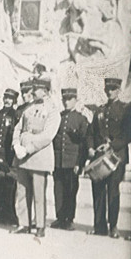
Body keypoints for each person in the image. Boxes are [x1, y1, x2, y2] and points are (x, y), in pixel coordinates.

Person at [10, 76, 61, 238]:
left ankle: (40, 225)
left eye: (36, 89)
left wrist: (29, 148)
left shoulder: (52, 110)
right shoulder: (29, 108)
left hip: (39, 157)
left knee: (39, 194)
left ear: (45, 90)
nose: (33, 92)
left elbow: (47, 136)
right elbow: (18, 128)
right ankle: (24, 223)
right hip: (22, 156)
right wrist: (16, 144)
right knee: (22, 191)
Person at [86, 77, 131, 239]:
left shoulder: (125, 109)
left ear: (119, 90)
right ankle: (99, 226)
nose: (110, 92)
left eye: (113, 89)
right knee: (98, 191)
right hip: (100, 157)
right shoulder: (100, 110)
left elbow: (127, 136)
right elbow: (91, 133)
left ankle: (113, 227)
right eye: (107, 89)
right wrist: (90, 148)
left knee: (113, 191)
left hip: (116, 157)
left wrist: (111, 145)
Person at [51, 88, 89, 231]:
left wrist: (80, 163)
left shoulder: (80, 119)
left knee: (71, 190)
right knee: (58, 189)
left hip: (72, 162)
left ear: (75, 100)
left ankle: (69, 219)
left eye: (69, 99)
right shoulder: (58, 117)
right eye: (64, 99)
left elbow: (84, 144)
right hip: (58, 161)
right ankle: (59, 217)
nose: (66, 102)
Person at [0, 88, 19, 224]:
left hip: (9, 155)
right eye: (5, 98)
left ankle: (8, 215)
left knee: (8, 185)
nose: (7, 100)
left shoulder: (16, 116)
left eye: (10, 99)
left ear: (14, 101)